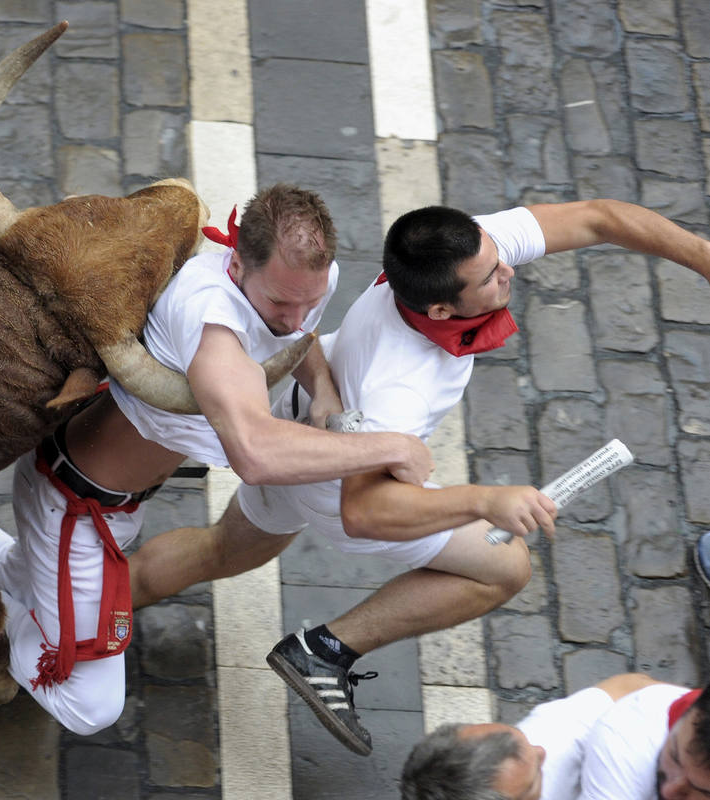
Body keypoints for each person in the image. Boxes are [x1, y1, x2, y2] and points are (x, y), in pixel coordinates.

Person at [126, 199, 710, 755]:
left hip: (303, 422)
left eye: (496, 257)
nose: (507, 269)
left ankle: (88, 606)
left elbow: (598, 218)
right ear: (440, 312)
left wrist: (704, 258)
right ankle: (324, 651)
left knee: (224, 549)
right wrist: (485, 500)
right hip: (338, 482)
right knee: (504, 568)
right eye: (489, 278)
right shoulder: (401, 386)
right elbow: (365, 512)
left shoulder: (454, 254)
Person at [0, 184, 433, 735]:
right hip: (73, 511)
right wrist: (393, 446)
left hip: (106, 501)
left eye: (308, 300)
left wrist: (327, 395)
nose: (295, 317)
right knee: (90, 708)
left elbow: (299, 335)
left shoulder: (301, 281)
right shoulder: (210, 326)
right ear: (236, 263)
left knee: (24, 574)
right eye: (280, 303)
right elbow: (257, 455)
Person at [400, 672, 710, 800]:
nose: (541, 752)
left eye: (523, 740)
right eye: (533, 781)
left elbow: (630, 687)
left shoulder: (550, 732)